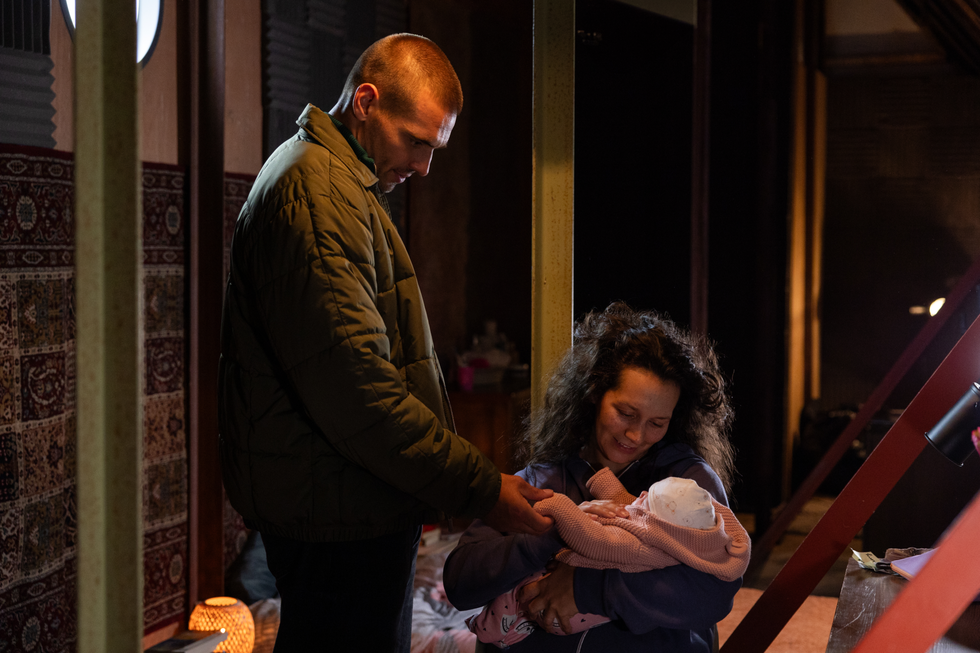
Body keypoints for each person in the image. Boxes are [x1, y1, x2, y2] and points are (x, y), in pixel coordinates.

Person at [218, 33, 552, 653]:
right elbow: (362, 396)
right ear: (365, 103)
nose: (425, 167)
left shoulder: (337, 182)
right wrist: (480, 487)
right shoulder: (316, 197)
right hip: (339, 518)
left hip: (347, 503)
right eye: (417, 142)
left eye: (436, 148)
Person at [443, 302, 741, 652]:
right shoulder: (543, 479)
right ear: (595, 395)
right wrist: (554, 531)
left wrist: (588, 590)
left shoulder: (687, 482)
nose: (635, 435)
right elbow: (460, 581)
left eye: (657, 424)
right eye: (625, 413)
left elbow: (715, 593)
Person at [468, 471, 751, 647]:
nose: (640, 496)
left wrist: (560, 509)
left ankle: (491, 628)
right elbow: (627, 503)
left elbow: (593, 539)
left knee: (518, 596)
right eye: (626, 413)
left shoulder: (636, 544)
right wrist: (602, 479)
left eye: (656, 422)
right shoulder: (686, 535)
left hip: (570, 617)